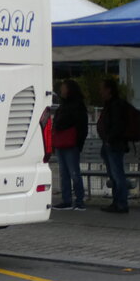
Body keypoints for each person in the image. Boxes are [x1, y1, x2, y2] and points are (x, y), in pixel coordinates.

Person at [51, 79, 88, 210]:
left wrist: (79, 143)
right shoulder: (64, 105)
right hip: (63, 143)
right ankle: (67, 200)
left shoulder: (76, 105)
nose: (62, 90)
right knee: (64, 173)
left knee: (73, 172)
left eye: (64, 88)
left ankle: (79, 201)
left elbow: (82, 126)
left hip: (71, 143)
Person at [96, 78, 131, 214]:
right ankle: (117, 202)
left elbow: (117, 125)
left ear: (108, 90)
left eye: (102, 88)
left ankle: (121, 203)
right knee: (114, 174)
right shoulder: (111, 104)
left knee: (117, 174)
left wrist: (110, 139)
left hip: (114, 144)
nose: (100, 92)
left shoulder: (115, 105)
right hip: (111, 143)